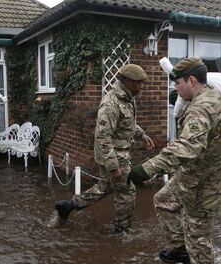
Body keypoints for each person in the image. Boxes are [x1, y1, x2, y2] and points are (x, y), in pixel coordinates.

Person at [127, 57, 221, 264]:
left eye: (178, 83)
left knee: (198, 241)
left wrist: (147, 168)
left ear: (192, 80)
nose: (175, 88)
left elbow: (188, 146)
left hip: (203, 186)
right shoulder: (209, 95)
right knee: (163, 200)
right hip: (189, 176)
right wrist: (183, 100)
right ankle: (180, 249)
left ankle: (192, 253)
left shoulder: (202, 108)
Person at [50, 64, 155, 232]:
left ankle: (68, 206)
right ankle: (122, 231)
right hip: (114, 155)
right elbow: (102, 137)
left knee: (103, 188)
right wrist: (113, 166)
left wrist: (141, 134)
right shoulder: (111, 103)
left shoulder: (127, 98)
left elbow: (127, 123)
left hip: (119, 153)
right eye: (138, 83)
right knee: (127, 191)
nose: (141, 87)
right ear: (128, 81)